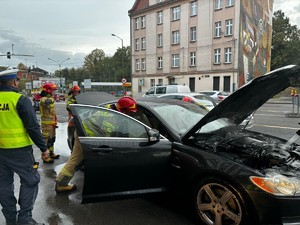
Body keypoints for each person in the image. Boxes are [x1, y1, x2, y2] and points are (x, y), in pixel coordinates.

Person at [55, 96, 137, 193]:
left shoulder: (109, 107)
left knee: (77, 159)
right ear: (123, 109)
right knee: (76, 160)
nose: (129, 114)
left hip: (83, 132)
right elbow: (107, 137)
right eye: (128, 111)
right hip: (86, 135)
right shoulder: (110, 117)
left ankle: (61, 182)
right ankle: (61, 184)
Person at [0, 68, 51, 225]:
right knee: (30, 180)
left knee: (3, 184)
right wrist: (44, 148)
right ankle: (24, 219)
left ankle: (10, 219)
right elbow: (32, 127)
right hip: (19, 150)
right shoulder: (19, 100)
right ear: (14, 82)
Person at [39, 82, 60, 162]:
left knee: (52, 140)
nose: (54, 92)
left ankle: (51, 153)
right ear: (48, 91)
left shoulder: (50, 99)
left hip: (52, 124)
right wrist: (53, 98)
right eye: (53, 90)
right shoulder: (43, 99)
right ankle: (45, 157)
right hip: (46, 126)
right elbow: (47, 102)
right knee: (46, 141)